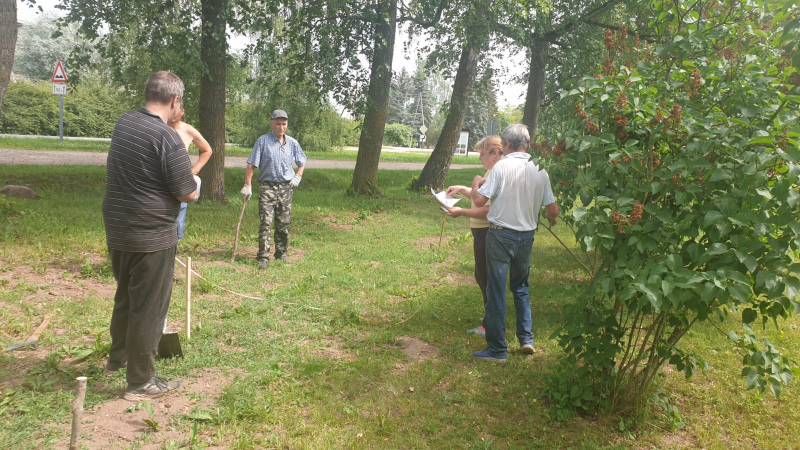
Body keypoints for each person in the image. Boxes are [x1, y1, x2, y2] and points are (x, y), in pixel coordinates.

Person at [102, 71, 199, 399]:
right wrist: (194, 188)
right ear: (174, 102)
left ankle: (118, 357)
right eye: (180, 103)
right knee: (150, 306)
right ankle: (141, 381)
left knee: (126, 295)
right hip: (151, 236)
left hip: (118, 230)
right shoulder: (168, 137)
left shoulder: (124, 123)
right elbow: (186, 192)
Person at [471, 124, 560, 362]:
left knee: (496, 290)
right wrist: (552, 220)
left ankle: (498, 349)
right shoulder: (540, 169)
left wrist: (476, 182)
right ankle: (526, 339)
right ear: (528, 145)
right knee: (521, 288)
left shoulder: (501, 167)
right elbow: (552, 209)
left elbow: (479, 201)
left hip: (501, 235)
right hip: (526, 237)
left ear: (507, 145)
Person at [444, 136, 504, 337]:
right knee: (482, 275)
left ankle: (490, 324)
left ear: (494, 153)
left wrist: (461, 212)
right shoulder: (492, 170)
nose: (480, 158)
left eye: (482, 154)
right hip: (481, 231)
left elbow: (488, 209)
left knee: (485, 276)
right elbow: (480, 195)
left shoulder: (497, 171)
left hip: (487, 231)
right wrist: (462, 189)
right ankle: (491, 315)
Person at [241, 109, 306, 270]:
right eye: (278, 123)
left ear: (287, 125)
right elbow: (251, 165)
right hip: (267, 187)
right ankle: (263, 256)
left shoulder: (292, 143)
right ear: (271, 124)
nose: (281, 127)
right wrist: (247, 185)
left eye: (284, 124)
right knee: (266, 222)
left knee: (283, 222)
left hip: (286, 187)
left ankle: (281, 253)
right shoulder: (262, 142)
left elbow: (301, 161)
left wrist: (298, 175)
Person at [168, 98, 212, 239]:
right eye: (170, 108)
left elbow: (207, 150)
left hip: (180, 180)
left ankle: (176, 246)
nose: (173, 112)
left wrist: (194, 171)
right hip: (161, 179)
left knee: (179, 219)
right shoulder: (159, 127)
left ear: (182, 111)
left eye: (176, 109)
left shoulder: (188, 130)